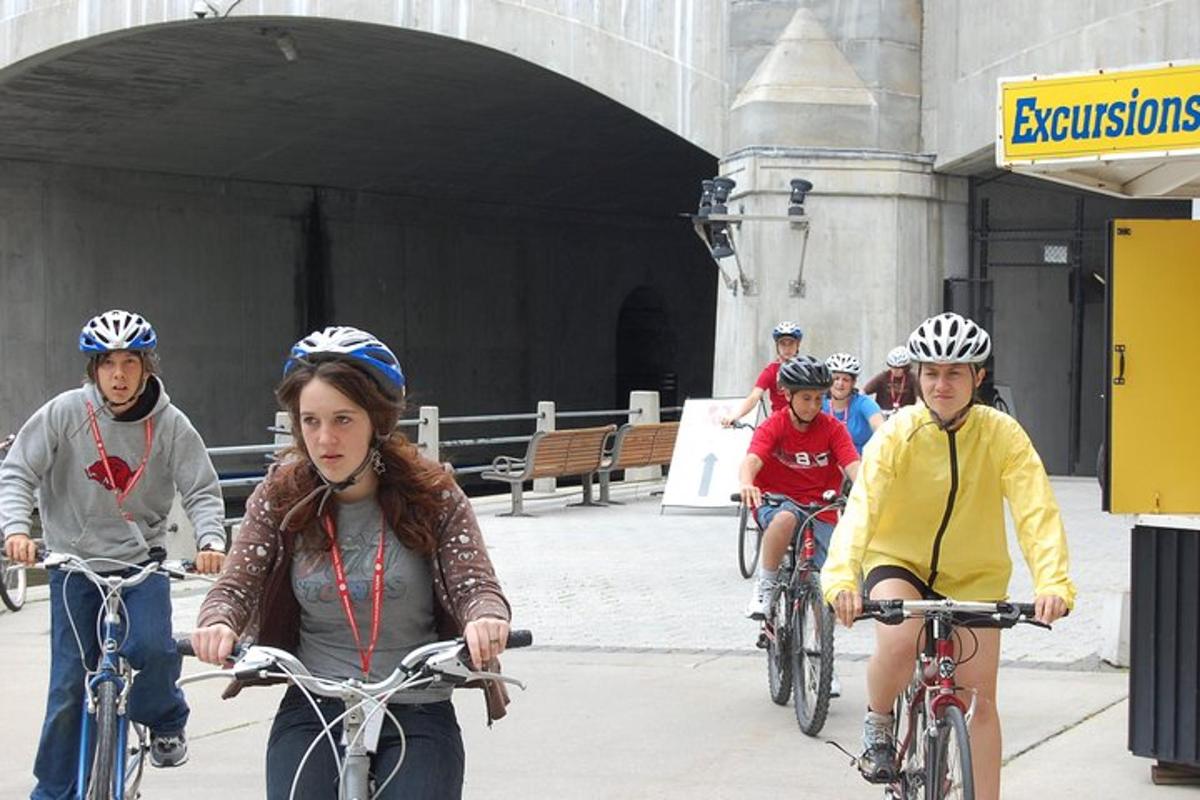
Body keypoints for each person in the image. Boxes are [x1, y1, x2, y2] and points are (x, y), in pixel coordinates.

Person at [190, 326, 513, 800]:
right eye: (310, 421)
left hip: (416, 699)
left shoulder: (433, 493)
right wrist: (218, 622)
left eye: (343, 419)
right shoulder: (280, 497)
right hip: (315, 700)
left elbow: (474, 583)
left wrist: (486, 617)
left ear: (377, 420)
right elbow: (235, 587)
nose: (324, 439)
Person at [821, 312, 1075, 800]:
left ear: (977, 377)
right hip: (899, 560)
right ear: (917, 375)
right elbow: (863, 506)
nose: (940, 384)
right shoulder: (898, 433)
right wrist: (842, 580)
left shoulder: (1003, 435)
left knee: (979, 700)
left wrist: (1052, 583)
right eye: (931, 372)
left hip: (975, 575)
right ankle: (878, 720)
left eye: (954, 372)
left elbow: (1035, 510)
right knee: (898, 644)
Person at [1, 309, 227, 799]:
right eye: (107, 363)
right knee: (67, 687)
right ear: (93, 369)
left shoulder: (170, 424)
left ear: (148, 367)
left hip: (141, 563)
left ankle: (165, 718)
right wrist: (16, 531)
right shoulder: (64, 413)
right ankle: (54, 791)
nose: (119, 375)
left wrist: (211, 541)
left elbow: (203, 491)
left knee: (155, 649)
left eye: (130, 362)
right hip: (72, 566)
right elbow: (18, 471)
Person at [738, 355, 860, 622]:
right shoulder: (774, 425)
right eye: (806, 398)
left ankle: (819, 649)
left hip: (820, 507)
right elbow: (752, 460)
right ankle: (766, 587)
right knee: (786, 518)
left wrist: (868, 491)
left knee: (825, 580)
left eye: (819, 399)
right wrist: (747, 484)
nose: (814, 406)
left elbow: (853, 466)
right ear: (789, 395)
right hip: (775, 501)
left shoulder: (833, 429)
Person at [720, 321, 804, 426]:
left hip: (801, 422)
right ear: (777, 346)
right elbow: (754, 396)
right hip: (779, 423)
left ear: (798, 345)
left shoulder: (805, 369)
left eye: (791, 343)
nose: (787, 348)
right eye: (783, 344)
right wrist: (734, 416)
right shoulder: (771, 370)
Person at [822, 353, 883, 454]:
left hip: (859, 464)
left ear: (853, 383)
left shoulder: (864, 403)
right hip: (827, 464)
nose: (840, 383)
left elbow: (879, 426)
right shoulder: (819, 403)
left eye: (845, 379)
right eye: (836, 378)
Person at [861, 346, 917, 418]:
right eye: (893, 367)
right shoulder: (883, 377)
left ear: (905, 367)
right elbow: (863, 392)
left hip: (905, 417)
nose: (895, 371)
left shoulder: (913, 378)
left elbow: (919, 399)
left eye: (899, 368)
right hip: (884, 415)